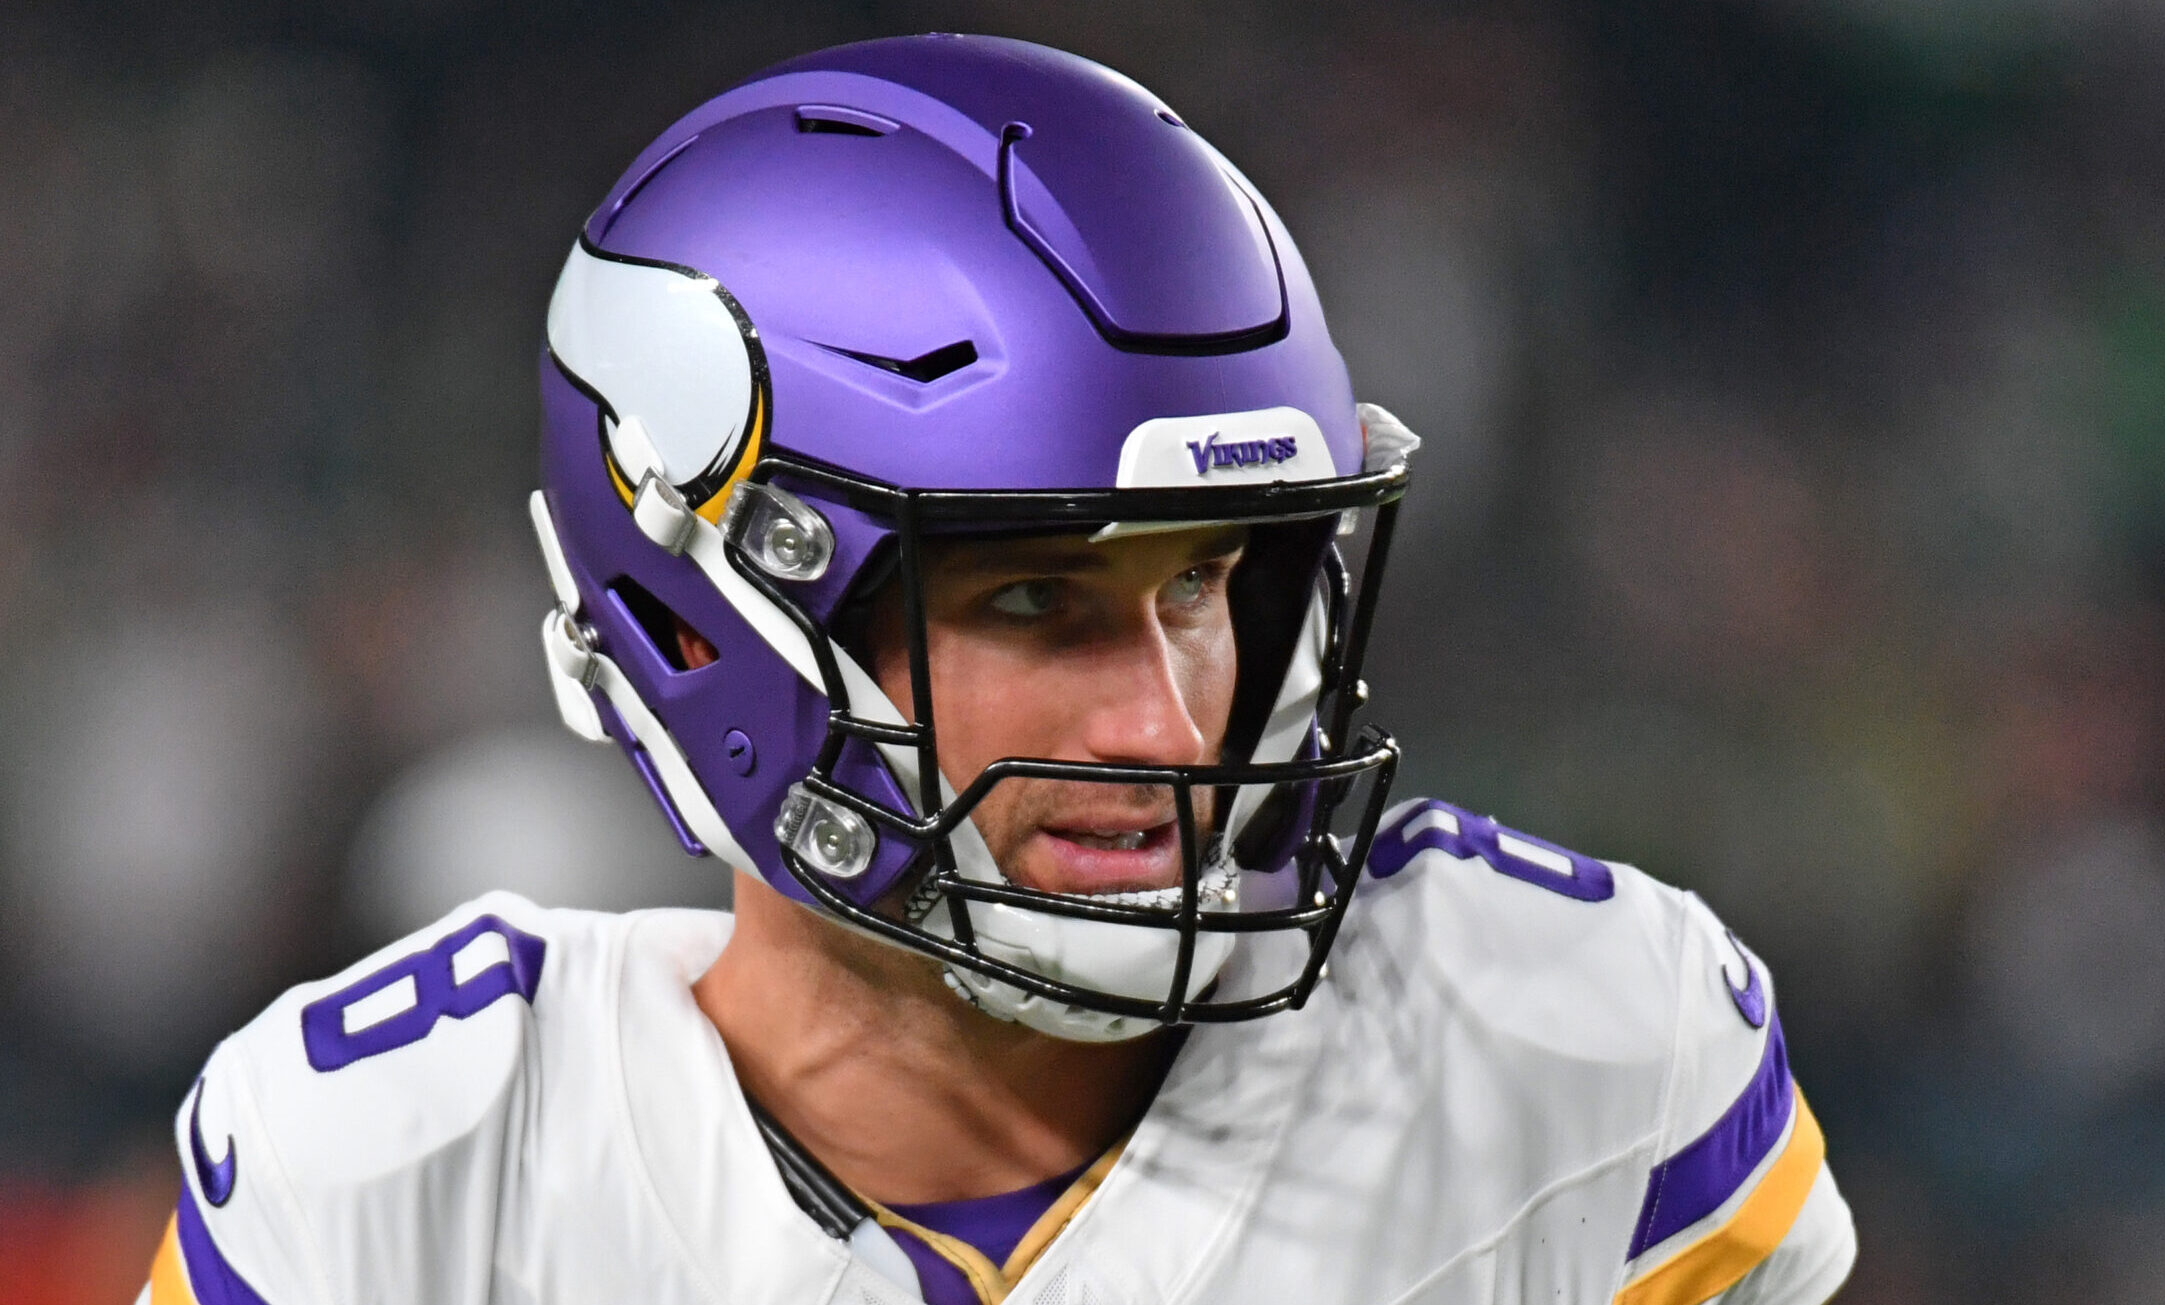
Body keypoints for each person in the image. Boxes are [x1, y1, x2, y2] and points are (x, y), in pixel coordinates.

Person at [140, 34, 1855, 1305]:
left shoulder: (1565, 1045)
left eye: (1205, 586)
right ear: (716, 616)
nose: (1172, 718)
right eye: (1039, 603)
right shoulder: (412, 1172)